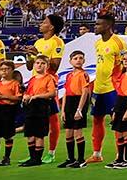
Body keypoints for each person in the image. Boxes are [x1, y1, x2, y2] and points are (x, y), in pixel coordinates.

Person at [86, 13, 127, 165]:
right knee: (97, 119)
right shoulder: (97, 43)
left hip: (112, 88)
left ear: (108, 26)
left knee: (116, 120)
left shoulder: (119, 42)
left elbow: (125, 65)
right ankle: (97, 154)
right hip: (98, 88)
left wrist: (120, 84)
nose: (95, 27)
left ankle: (120, 155)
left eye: (98, 24)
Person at [33, 15, 66, 163]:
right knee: (34, 119)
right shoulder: (38, 42)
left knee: (52, 119)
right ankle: (34, 152)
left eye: (44, 22)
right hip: (35, 83)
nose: (41, 24)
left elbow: (54, 66)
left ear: (51, 27)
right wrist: (29, 57)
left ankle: (51, 152)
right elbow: (30, 66)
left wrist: (38, 55)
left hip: (49, 83)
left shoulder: (57, 42)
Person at [19, 53, 55, 166]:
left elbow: (52, 93)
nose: (40, 65)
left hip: (41, 106)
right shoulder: (33, 79)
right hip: (30, 107)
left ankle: (37, 159)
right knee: (30, 133)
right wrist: (25, 96)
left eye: (43, 63)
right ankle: (32, 157)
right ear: (34, 65)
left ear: (47, 66)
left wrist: (37, 96)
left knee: (39, 133)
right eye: (38, 63)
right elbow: (28, 92)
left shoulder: (49, 78)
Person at [57, 49, 91, 170]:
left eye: (80, 58)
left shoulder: (83, 75)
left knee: (78, 132)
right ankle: (70, 159)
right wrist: (63, 110)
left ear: (84, 61)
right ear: (70, 61)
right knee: (68, 133)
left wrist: (80, 109)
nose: (78, 60)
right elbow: (66, 92)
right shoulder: (69, 75)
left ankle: (81, 160)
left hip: (78, 102)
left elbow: (85, 92)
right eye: (75, 58)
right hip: (69, 103)